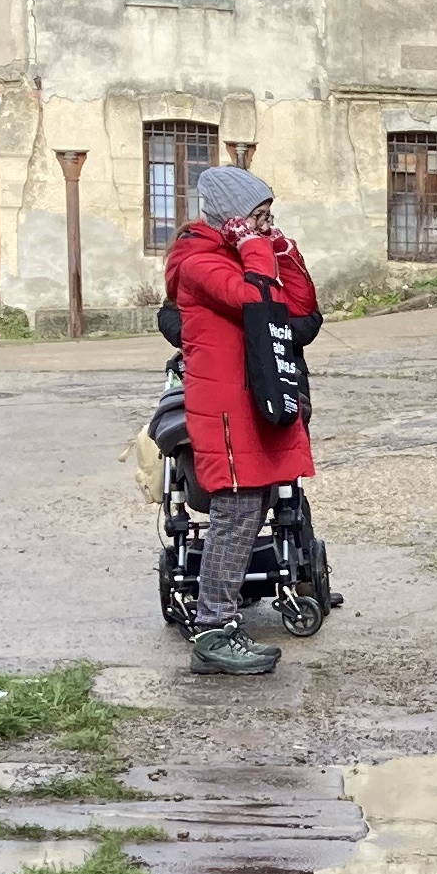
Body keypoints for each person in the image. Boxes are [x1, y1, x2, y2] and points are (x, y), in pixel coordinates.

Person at [164, 164, 317, 678]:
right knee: (233, 517)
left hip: (253, 402)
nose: (266, 224)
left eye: (269, 216)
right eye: (259, 216)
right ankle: (212, 629)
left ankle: (221, 624)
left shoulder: (240, 252)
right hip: (226, 411)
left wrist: (284, 251)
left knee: (253, 510)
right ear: (233, 216)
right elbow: (255, 301)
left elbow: (297, 307)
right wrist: (255, 248)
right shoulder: (197, 261)